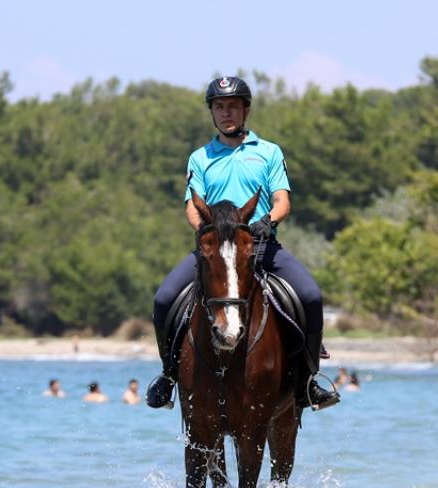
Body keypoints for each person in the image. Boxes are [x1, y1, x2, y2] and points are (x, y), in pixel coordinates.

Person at [146, 76, 340, 412]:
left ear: (245, 110)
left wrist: (268, 222)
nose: (226, 113)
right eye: (219, 107)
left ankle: (310, 381)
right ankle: (167, 377)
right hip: (215, 254)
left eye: (232, 106)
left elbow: (282, 200)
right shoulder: (199, 158)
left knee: (311, 295)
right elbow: (193, 206)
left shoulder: (268, 153)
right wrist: (208, 231)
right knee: (164, 299)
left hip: (262, 248)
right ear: (212, 113)